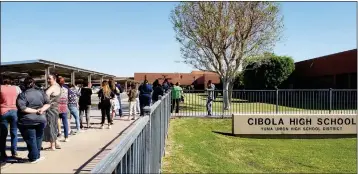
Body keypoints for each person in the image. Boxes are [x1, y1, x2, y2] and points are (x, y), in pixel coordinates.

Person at [16, 77, 51, 163]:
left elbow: (22, 108)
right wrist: (41, 110)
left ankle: (33, 157)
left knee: (31, 139)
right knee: (38, 138)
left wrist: (36, 111)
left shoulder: (22, 95)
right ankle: (37, 156)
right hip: (41, 119)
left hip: (27, 120)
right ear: (34, 84)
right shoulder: (41, 92)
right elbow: (48, 103)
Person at [0, 78, 20, 162]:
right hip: (14, 111)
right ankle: (14, 152)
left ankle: (3, 153)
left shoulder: (0, 88)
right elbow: (19, 98)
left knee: (3, 134)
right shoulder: (16, 88)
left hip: (3, 112)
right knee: (14, 132)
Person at [43, 73, 62, 150]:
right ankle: (56, 143)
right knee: (53, 125)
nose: (48, 80)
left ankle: (52, 146)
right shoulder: (57, 86)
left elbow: (46, 95)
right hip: (55, 108)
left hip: (51, 109)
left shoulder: (53, 87)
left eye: (49, 79)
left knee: (51, 126)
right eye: (47, 78)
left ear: (54, 79)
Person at [57, 77, 69, 142]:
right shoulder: (66, 89)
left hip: (57, 106)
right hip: (64, 106)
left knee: (58, 119)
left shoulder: (56, 89)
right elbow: (67, 98)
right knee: (65, 122)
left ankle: (59, 132)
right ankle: (66, 137)